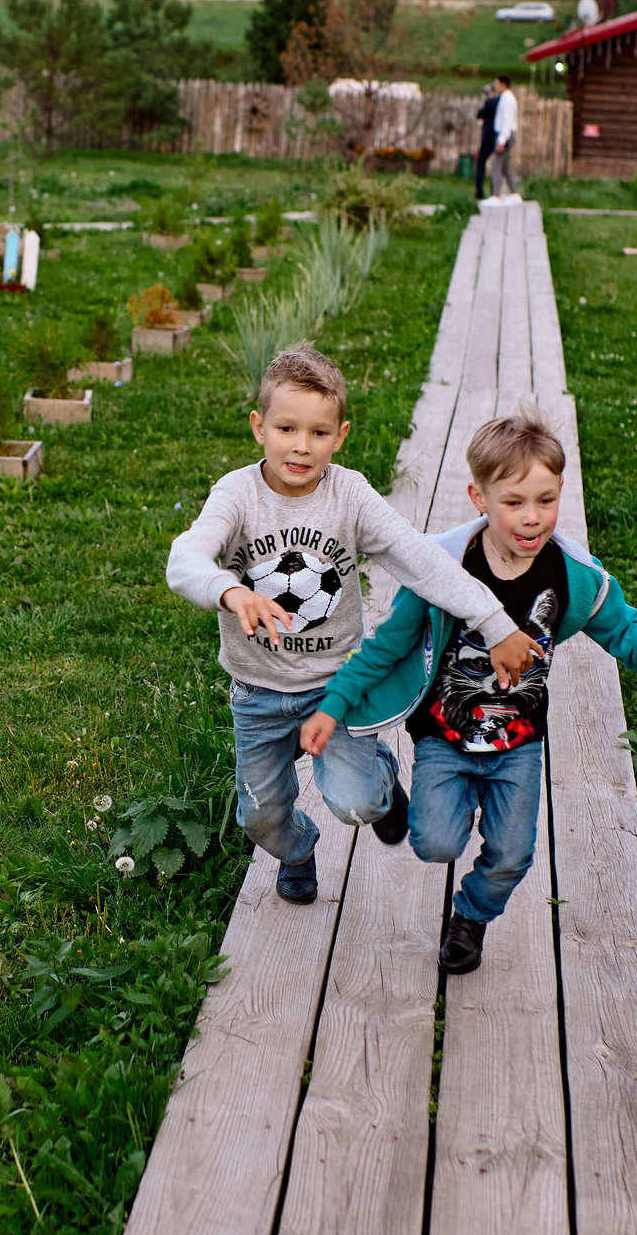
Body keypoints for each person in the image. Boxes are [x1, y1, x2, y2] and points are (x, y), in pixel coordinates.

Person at [303, 413, 637, 973]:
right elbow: (384, 646)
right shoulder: (443, 570)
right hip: (445, 734)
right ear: (479, 497)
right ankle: (396, 792)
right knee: (434, 843)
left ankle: (470, 918)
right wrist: (335, 705)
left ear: (561, 492)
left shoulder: (573, 577)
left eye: (545, 500)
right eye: (514, 502)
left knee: (513, 853)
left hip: (518, 742)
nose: (532, 517)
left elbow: (619, 626)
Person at [167, 349, 544, 907]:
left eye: (318, 432)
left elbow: (420, 558)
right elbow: (185, 558)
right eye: (286, 428)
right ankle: (298, 852)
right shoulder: (238, 495)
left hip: (336, 690)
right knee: (260, 816)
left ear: (339, 436)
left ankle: (379, 779)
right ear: (258, 427)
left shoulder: (349, 495)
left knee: (359, 804)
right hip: (257, 693)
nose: (301, 445)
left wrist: (493, 621)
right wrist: (230, 589)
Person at [486, 73, 520, 202]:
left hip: (505, 135)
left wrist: (501, 141)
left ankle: (496, 195)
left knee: (497, 166)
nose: (495, 86)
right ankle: (514, 193)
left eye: (496, 83)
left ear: (502, 84)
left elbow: (507, 121)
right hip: (506, 135)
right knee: (505, 168)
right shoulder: (505, 98)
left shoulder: (507, 100)